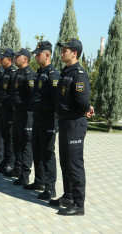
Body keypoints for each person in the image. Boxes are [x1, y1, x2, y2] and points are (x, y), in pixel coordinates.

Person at [51, 38, 94, 216]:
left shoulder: (78, 74)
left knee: (75, 163)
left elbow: (83, 100)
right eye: (61, 50)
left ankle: (78, 204)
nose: (61, 53)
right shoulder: (66, 72)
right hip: (65, 121)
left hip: (75, 122)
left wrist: (86, 109)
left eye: (65, 50)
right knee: (65, 161)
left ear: (74, 53)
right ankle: (68, 196)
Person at [26, 41, 59, 200]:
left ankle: (50, 188)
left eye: (38, 54)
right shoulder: (39, 73)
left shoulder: (53, 74)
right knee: (37, 151)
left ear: (47, 55)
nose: (36, 56)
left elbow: (55, 101)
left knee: (47, 153)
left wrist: (38, 102)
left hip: (48, 120)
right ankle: (39, 181)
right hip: (37, 119)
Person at [10, 48, 34, 186]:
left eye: (18, 56)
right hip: (16, 112)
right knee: (17, 142)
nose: (15, 58)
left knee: (26, 144)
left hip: (26, 114)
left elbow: (32, 96)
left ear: (25, 59)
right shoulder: (18, 73)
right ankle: (18, 169)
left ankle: (25, 174)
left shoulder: (29, 74)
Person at [0, 49, 17, 176]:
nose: (0, 60)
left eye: (2, 58)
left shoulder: (13, 73)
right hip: (2, 108)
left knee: (10, 137)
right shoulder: (5, 72)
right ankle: (6, 160)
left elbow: (12, 93)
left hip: (9, 109)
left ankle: (11, 162)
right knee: (4, 135)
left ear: (9, 59)